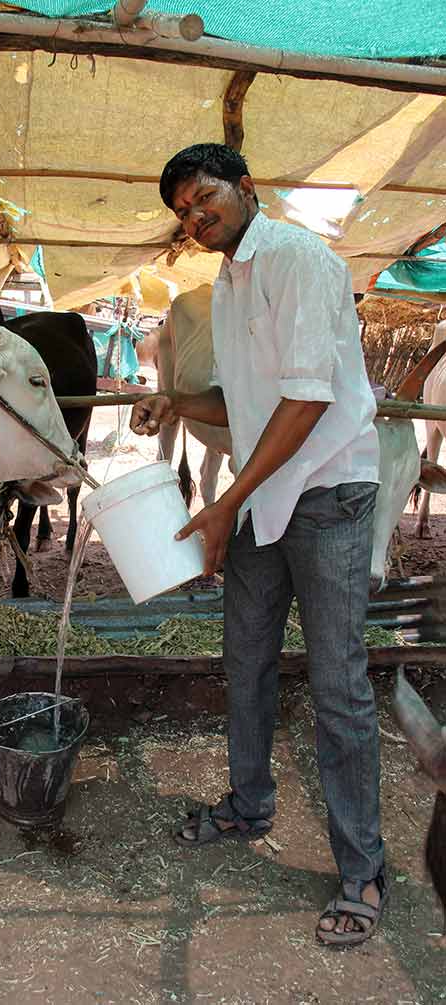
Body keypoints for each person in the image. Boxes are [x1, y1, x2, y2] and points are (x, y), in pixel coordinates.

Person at [130, 143, 387, 947]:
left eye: (204, 198)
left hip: (329, 494)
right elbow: (239, 399)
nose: (195, 217)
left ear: (246, 187)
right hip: (266, 496)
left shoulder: (300, 261)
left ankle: (363, 871)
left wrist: (223, 503)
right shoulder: (228, 282)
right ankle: (248, 805)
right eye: (183, 211)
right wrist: (170, 400)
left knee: (339, 681)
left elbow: (307, 402)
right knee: (246, 655)